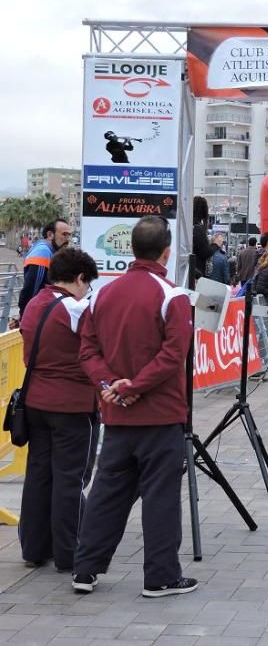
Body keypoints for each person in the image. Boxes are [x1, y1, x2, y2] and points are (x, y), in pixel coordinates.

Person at [73, 216, 198, 597]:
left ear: (131, 249)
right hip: (159, 416)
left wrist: (112, 385)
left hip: (117, 412)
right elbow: (174, 353)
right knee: (160, 498)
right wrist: (136, 387)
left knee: (106, 495)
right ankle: (160, 576)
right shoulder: (172, 295)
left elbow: (88, 351)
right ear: (166, 250)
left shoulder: (103, 294)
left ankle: (85, 569)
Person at [18, 248, 100, 572]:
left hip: (35, 402)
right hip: (72, 404)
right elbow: (100, 347)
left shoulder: (34, 304)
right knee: (70, 478)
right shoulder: (75, 307)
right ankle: (69, 552)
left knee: (39, 476)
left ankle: (35, 548)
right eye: (88, 284)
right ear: (80, 279)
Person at [18, 218, 73, 314]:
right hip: (36, 315)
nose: (67, 239)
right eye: (64, 234)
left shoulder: (48, 251)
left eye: (69, 235)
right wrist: (24, 316)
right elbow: (32, 289)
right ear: (50, 235)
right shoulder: (43, 251)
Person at [192, 196, 212, 280]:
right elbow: (205, 252)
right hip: (198, 273)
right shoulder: (198, 228)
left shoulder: (188, 226)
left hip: (190, 271)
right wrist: (215, 245)